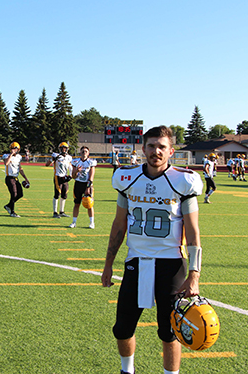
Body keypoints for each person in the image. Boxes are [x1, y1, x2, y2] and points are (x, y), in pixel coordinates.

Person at [102, 125, 203, 374]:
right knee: (123, 328)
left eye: (162, 147)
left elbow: (192, 231)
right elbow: (119, 225)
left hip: (171, 264)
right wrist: (108, 264)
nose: (156, 151)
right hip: (136, 261)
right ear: (143, 148)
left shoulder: (183, 181)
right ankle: (128, 371)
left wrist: (194, 274)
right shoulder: (128, 178)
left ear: (171, 151)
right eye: (151, 146)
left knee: (170, 332)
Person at [69, 146, 97, 229]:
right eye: (83, 151)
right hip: (78, 184)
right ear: (80, 152)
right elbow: (73, 176)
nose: (84, 153)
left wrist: (88, 186)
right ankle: (74, 222)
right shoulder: (76, 162)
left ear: (88, 153)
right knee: (76, 204)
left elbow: (91, 176)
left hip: (87, 184)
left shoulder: (91, 162)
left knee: (89, 204)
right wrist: (77, 171)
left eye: (86, 151)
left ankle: (92, 222)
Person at [3, 142, 30, 218]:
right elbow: (6, 163)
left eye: (15, 149)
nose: (14, 150)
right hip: (9, 178)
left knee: (20, 194)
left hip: (16, 178)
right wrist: (11, 155)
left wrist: (25, 178)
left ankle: (8, 206)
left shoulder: (19, 157)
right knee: (13, 194)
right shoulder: (6, 156)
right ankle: (12, 212)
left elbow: (20, 168)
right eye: (13, 148)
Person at [46, 142, 73, 218]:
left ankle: (61, 211)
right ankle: (55, 212)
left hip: (65, 177)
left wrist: (70, 176)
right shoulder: (56, 155)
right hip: (57, 176)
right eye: (62, 148)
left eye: (65, 148)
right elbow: (47, 164)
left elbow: (70, 167)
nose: (63, 150)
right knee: (57, 194)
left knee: (65, 194)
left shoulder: (69, 157)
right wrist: (52, 160)